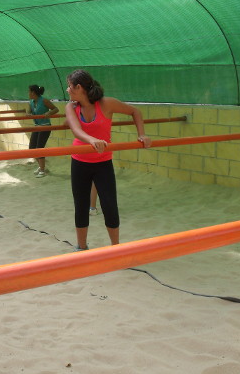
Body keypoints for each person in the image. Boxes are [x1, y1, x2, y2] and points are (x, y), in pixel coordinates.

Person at [65, 69, 151, 251]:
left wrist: (142, 135)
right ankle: (81, 246)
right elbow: (76, 130)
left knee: (109, 204)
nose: (67, 90)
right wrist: (92, 140)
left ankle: (115, 248)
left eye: (70, 86)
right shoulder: (71, 107)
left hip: (103, 163)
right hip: (79, 161)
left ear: (79, 87)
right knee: (81, 205)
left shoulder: (106, 104)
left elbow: (134, 111)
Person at [27, 84, 59, 177]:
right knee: (32, 148)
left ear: (33, 92)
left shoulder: (44, 100)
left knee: (39, 148)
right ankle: (42, 167)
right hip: (37, 126)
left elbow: (56, 109)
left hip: (45, 126)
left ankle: (42, 169)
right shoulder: (31, 102)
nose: (28, 93)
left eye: (29, 91)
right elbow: (29, 112)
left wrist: (49, 112)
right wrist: (28, 114)